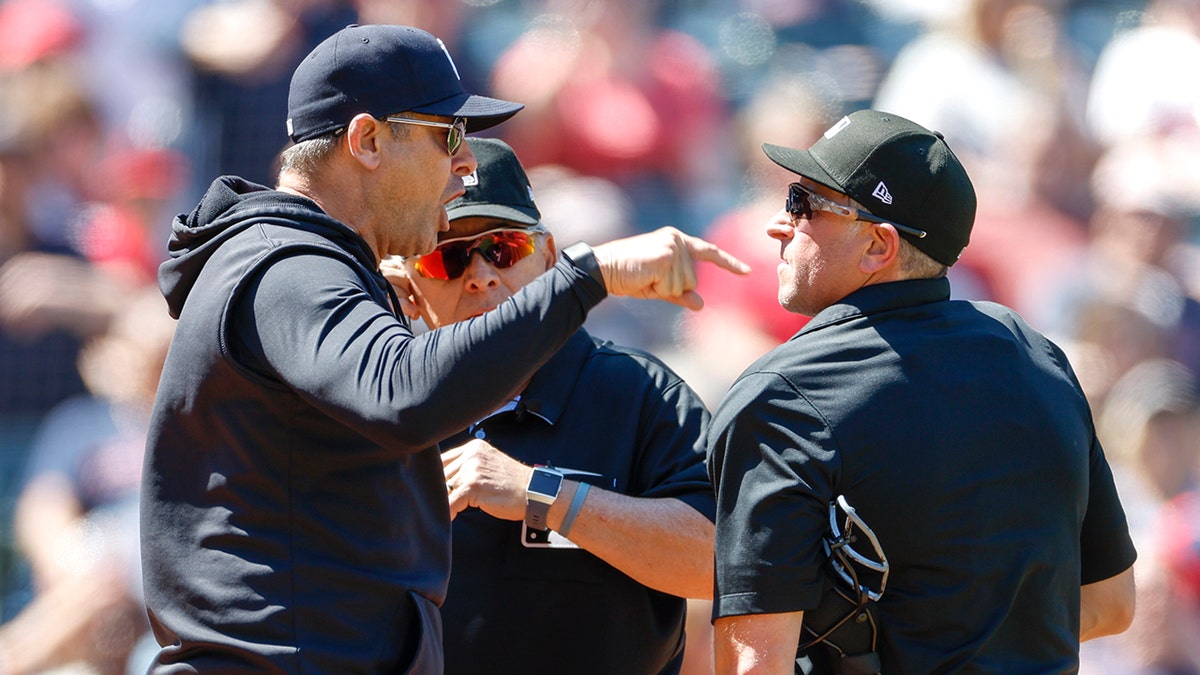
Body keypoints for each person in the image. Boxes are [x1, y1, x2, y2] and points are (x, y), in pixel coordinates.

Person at [138, 23, 748, 673]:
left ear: (540, 249)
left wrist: (545, 496)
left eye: (505, 248)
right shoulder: (289, 266)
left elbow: (731, 563)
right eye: (446, 136)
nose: (464, 163)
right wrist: (590, 276)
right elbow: (403, 393)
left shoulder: (624, 389)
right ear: (367, 141)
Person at [705, 109, 1137, 674]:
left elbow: (754, 665)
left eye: (803, 203)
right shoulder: (1036, 359)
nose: (779, 224)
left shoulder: (785, 397)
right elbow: (1110, 604)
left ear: (878, 247)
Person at [381, 137, 716, 675]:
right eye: (447, 257)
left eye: (504, 248)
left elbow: (718, 561)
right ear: (412, 281)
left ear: (550, 257)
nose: (482, 274)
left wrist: (541, 496)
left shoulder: (636, 392)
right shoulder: (375, 393)